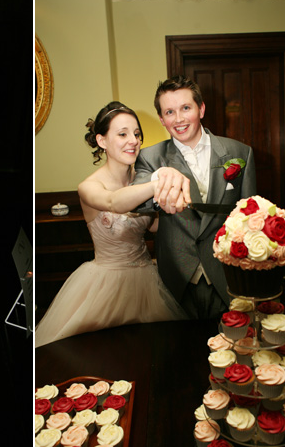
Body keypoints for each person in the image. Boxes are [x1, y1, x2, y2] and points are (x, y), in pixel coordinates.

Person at [35, 101, 190, 348]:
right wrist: (158, 182)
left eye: (137, 134)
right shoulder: (89, 187)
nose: (134, 141)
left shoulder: (141, 178)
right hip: (104, 284)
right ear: (102, 141)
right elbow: (114, 202)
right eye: (122, 134)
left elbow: (151, 225)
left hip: (147, 280)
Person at [133, 75, 257, 319]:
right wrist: (159, 187)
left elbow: (251, 217)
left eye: (185, 108)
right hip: (176, 279)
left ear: (201, 109)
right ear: (161, 119)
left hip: (227, 277)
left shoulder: (239, 152)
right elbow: (140, 203)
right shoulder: (149, 157)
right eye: (169, 112)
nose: (178, 119)